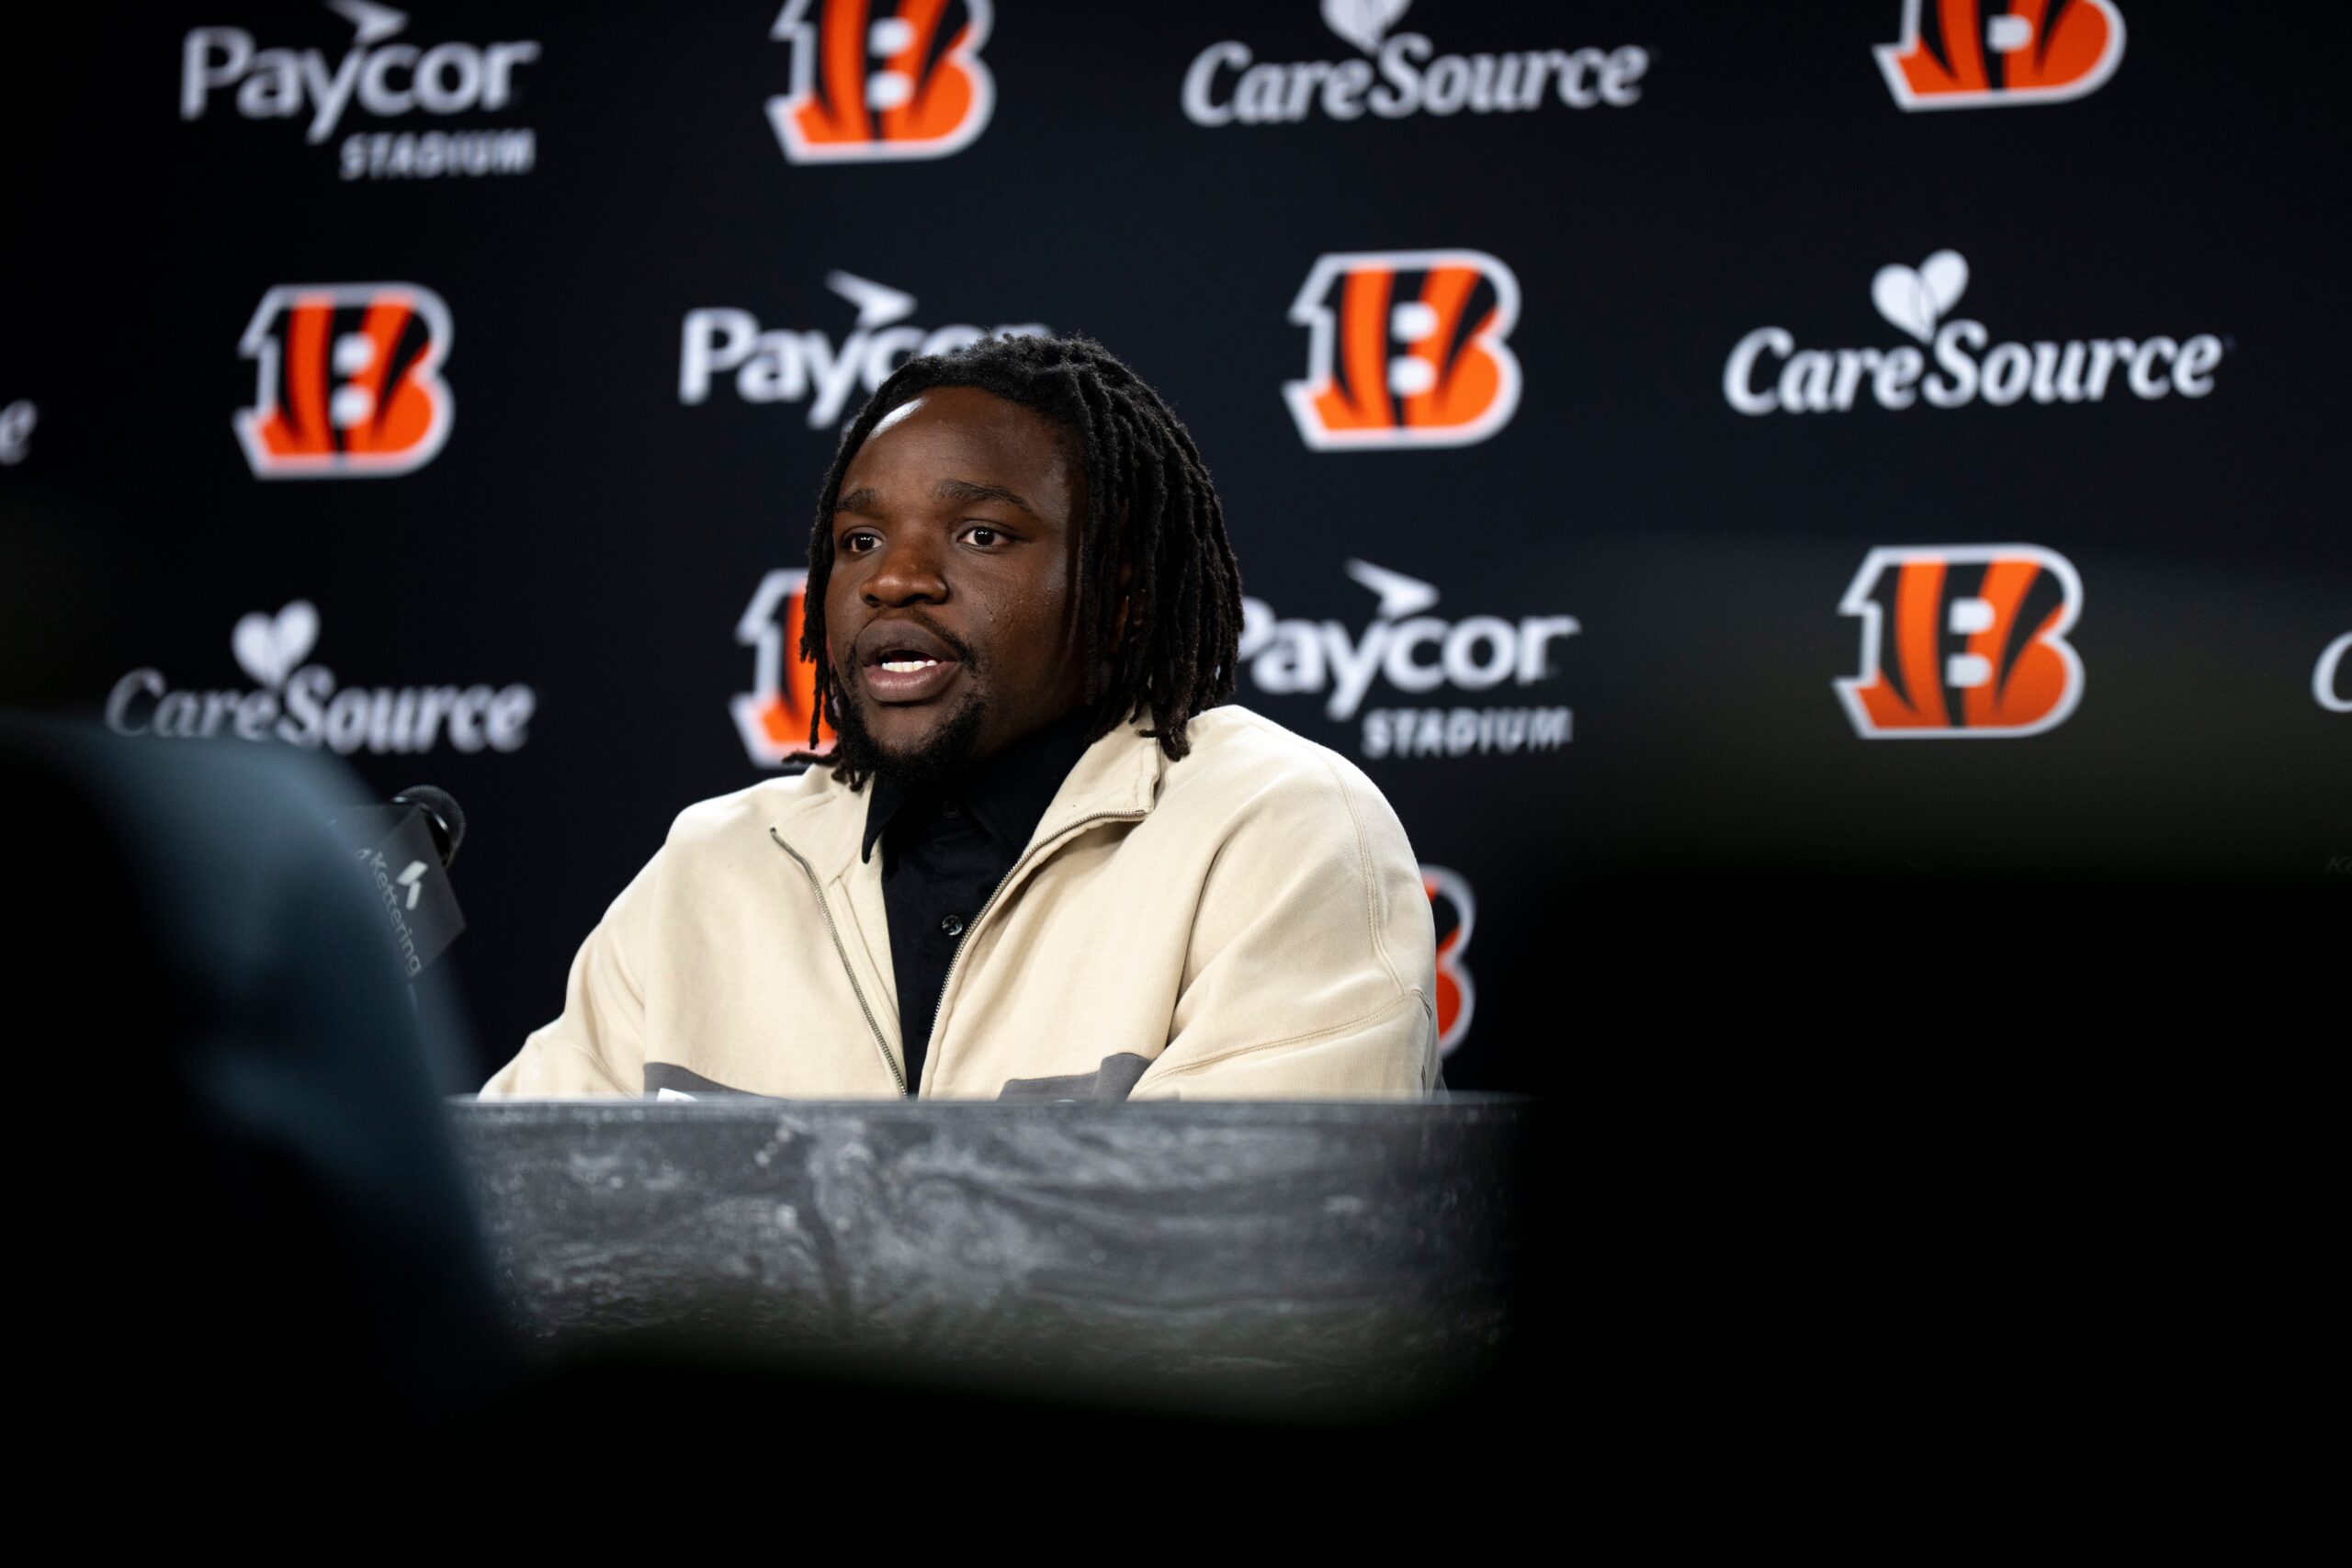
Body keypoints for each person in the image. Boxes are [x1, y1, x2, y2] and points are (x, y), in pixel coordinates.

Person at [483, 334, 1437, 1100]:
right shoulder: (707, 869)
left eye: (982, 534)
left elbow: (1249, 1249)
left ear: (1123, 599)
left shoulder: (1278, 829)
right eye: (859, 540)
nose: (894, 579)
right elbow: (510, 1221)